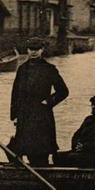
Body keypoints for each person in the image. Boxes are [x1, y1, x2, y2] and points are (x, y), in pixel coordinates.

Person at [10, 37, 69, 166]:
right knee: (22, 149)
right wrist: (14, 115)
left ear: (42, 50)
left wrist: (48, 102)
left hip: (42, 115)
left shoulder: (49, 69)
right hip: (24, 115)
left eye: (37, 49)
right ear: (27, 50)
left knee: (40, 151)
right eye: (31, 49)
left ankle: (42, 173)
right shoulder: (22, 69)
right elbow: (15, 94)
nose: (34, 52)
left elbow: (63, 91)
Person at [53, 95, 95, 168]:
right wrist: (77, 146)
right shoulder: (89, 119)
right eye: (94, 104)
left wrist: (85, 147)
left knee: (72, 157)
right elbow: (77, 135)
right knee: (57, 156)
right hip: (83, 153)